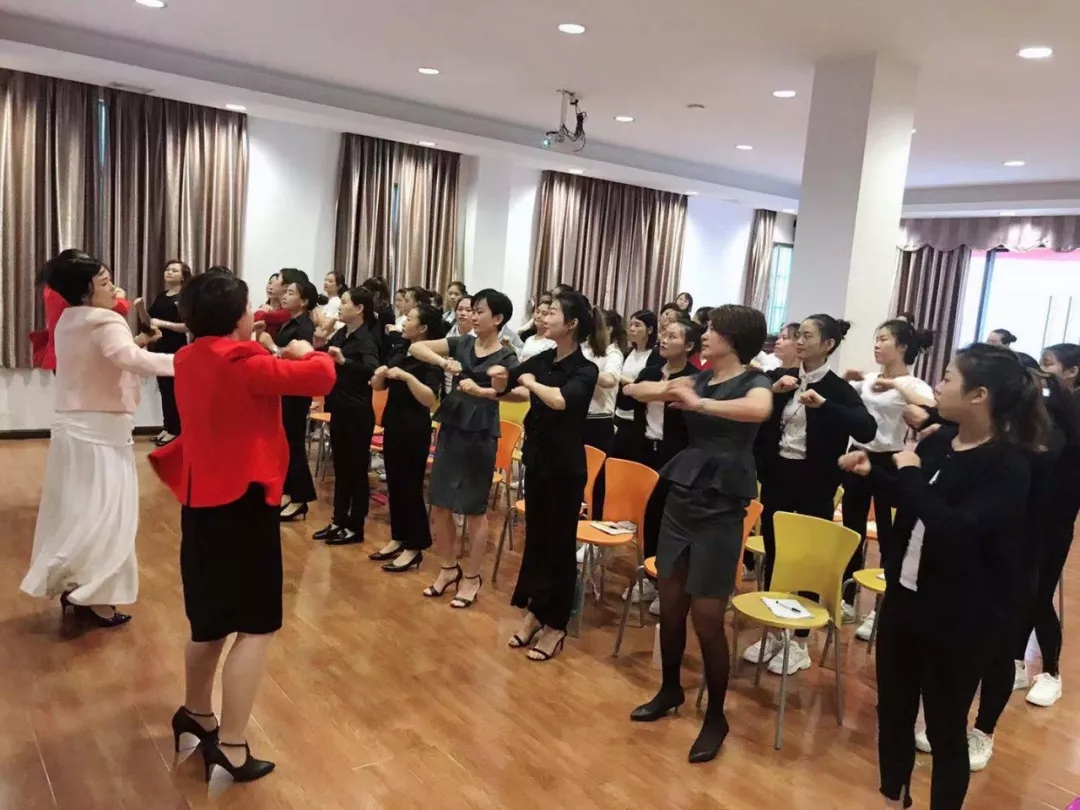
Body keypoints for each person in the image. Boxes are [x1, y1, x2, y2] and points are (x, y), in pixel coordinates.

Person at [149, 272, 335, 783]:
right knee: (256, 625)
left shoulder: (189, 357)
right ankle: (231, 745)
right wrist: (307, 349)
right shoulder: (243, 361)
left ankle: (196, 713)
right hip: (244, 503)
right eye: (249, 306)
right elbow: (321, 378)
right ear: (237, 317)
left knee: (209, 620)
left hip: (200, 501)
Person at [839, 344, 1042, 809]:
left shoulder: (1008, 465)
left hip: (961, 615)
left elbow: (957, 528)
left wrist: (908, 475)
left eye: (948, 378)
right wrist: (876, 475)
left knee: (945, 727)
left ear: (979, 395)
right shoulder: (938, 442)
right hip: (905, 599)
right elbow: (917, 502)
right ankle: (895, 798)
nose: (938, 386)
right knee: (893, 712)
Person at [627, 305, 772, 764]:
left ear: (735, 339)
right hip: (683, 499)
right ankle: (670, 689)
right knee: (670, 605)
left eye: (713, 330)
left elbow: (760, 409)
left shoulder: (754, 381)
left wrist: (699, 403)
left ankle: (716, 717)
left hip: (721, 507)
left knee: (708, 617)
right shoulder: (699, 378)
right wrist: (672, 388)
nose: (704, 335)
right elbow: (633, 390)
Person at [21, 254, 172, 627]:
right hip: (103, 429)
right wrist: (189, 362)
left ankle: (77, 585)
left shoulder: (68, 319)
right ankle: (96, 597)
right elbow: (129, 359)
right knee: (109, 514)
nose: (114, 288)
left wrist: (139, 343)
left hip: (72, 427)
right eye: (104, 283)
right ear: (85, 291)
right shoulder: (105, 319)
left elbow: (110, 356)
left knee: (79, 509)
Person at [747, 314, 876, 674]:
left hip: (815, 482)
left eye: (807, 336)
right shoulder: (781, 378)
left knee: (807, 558)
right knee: (775, 551)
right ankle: (776, 632)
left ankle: (800, 640)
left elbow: (867, 428)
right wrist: (775, 391)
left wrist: (825, 406)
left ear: (828, 344)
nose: (799, 342)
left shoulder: (837, 388)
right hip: (778, 475)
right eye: (797, 335)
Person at [488, 290, 599, 661]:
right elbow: (508, 384)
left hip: (565, 469)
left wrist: (530, 383)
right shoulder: (543, 358)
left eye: (552, 313)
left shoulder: (585, 369)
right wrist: (498, 377)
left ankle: (556, 625)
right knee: (536, 540)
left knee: (559, 546)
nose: (543, 317)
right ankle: (535, 612)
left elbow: (560, 400)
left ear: (572, 324)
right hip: (537, 461)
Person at [409, 288, 519, 609]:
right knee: (441, 502)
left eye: (479, 311)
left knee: (473, 508)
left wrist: (486, 390)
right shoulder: (462, 342)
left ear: (497, 318)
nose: (472, 316)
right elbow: (416, 347)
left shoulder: (507, 357)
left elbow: (516, 393)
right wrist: (444, 362)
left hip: (481, 432)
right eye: (471, 310)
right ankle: (447, 568)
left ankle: (471, 576)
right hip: (452, 424)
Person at [839, 320, 935, 634]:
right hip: (858, 454)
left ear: (902, 347)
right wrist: (847, 380)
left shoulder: (914, 384)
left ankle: (881, 606)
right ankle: (847, 597)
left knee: (888, 535)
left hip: (888, 460)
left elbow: (930, 411)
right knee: (851, 529)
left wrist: (895, 386)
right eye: (876, 340)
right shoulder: (868, 379)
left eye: (884, 340)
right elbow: (846, 405)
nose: (877, 345)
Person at [621, 318, 698, 614]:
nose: (664, 340)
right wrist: (636, 389)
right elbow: (628, 401)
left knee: (671, 520)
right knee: (649, 516)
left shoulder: (693, 377)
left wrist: (640, 390)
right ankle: (650, 577)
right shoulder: (651, 371)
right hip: (645, 449)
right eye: (664, 334)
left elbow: (639, 392)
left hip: (676, 456)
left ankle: (668, 582)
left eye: (673, 336)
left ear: (689, 346)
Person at [369, 304, 447, 572]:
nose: (404, 321)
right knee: (395, 485)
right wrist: (379, 376)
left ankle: (415, 545)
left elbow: (430, 398)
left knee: (410, 488)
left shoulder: (430, 358)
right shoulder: (399, 350)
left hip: (414, 428)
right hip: (393, 423)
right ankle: (398, 537)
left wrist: (405, 377)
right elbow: (378, 386)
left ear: (423, 328)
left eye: (410, 318)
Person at [311, 287, 382, 545]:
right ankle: (338, 520)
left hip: (357, 412)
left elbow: (372, 369)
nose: (339, 307)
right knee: (340, 469)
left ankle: (355, 527)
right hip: (340, 408)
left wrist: (345, 362)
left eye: (344, 302)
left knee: (356, 472)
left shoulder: (367, 338)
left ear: (360, 308)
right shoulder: (342, 333)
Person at [257, 279, 319, 520]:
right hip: (284, 388)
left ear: (303, 301)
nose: (284, 295)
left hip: (296, 391)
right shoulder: (289, 322)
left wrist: (272, 346)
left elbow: (300, 359)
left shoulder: (304, 327)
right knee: (285, 443)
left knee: (294, 444)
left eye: (291, 293)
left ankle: (300, 497)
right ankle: (289, 492)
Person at [31, 249, 132, 371]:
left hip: (63, 351)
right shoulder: (71, 294)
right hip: (78, 353)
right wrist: (120, 300)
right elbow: (100, 313)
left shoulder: (53, 289)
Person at [135, 260, 192, 447]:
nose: (169, 272)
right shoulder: (161, 297)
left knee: (174, 391)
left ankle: (176, 430)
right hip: (159, 346)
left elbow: (188, 326)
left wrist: (164, 324)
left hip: (176, 348)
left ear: (183, 276)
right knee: (164, 390)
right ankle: (168, 427)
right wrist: (140, 308)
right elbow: (149, 322)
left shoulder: (185, 298)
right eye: (167, 269)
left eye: (174, 270)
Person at [581, 308, 623, 521]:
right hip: (577, 418)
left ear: (609, 329)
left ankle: (594, 522)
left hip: (598, 422)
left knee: (597, 479)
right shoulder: (583, 349)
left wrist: (584, 371)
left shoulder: (613, 353)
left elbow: (610, 379)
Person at [612, 309, 658, 460]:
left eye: (637, 325)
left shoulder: (655, 355)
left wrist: (620, 378)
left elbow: (648, 385)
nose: (632, 328)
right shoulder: (628, 352)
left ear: (650, 330)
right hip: (619, 414)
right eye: (631, 324)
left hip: (638, 418)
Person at [519, 295, 556, 361]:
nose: (538, 316)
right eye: (537, 312)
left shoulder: (553, 342)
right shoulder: (529, 339)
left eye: (544, 314)